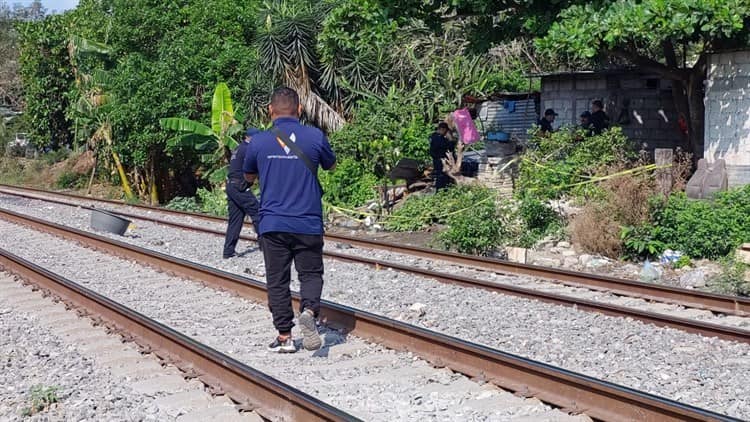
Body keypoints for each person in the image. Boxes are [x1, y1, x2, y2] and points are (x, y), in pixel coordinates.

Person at [243, 87, 336, 353]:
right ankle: (308, 310)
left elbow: (248, 178)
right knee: (310, 273)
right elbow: (331, 165)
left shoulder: (258, 141)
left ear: (270, 111)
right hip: (308, 221)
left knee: (277, 279)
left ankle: (284, 336)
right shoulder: (315, 136)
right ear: (300, 110)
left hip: (273, 222)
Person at [223, 128, 261, 259]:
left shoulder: (239, 148)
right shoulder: (248, 150)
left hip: (231, 185)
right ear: (250, 138)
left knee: (236, 219)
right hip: (240, 186)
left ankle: (228, 251)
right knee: (257, 213)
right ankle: (266, 246)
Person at [429, 122, 455, 191]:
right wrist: (451, 140)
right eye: (446, 131)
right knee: (442, 177)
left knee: (443, 177)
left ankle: (442, 191)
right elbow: (449, 147)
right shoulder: (437, 138)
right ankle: (441, 192)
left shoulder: (435, 137)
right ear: (442, 129)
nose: (446, 133)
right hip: (440, 161)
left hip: (439, 160)